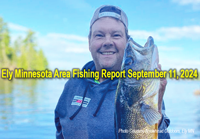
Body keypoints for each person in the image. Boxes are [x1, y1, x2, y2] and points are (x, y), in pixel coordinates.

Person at [54, 5, 170, 139]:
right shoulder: (72, 85)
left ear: (126, 42)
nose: (107, 42)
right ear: (89, 42)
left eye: (116, 35)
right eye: (99, 35)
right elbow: (59, 131)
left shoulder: (146, 93)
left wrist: (158, 108)